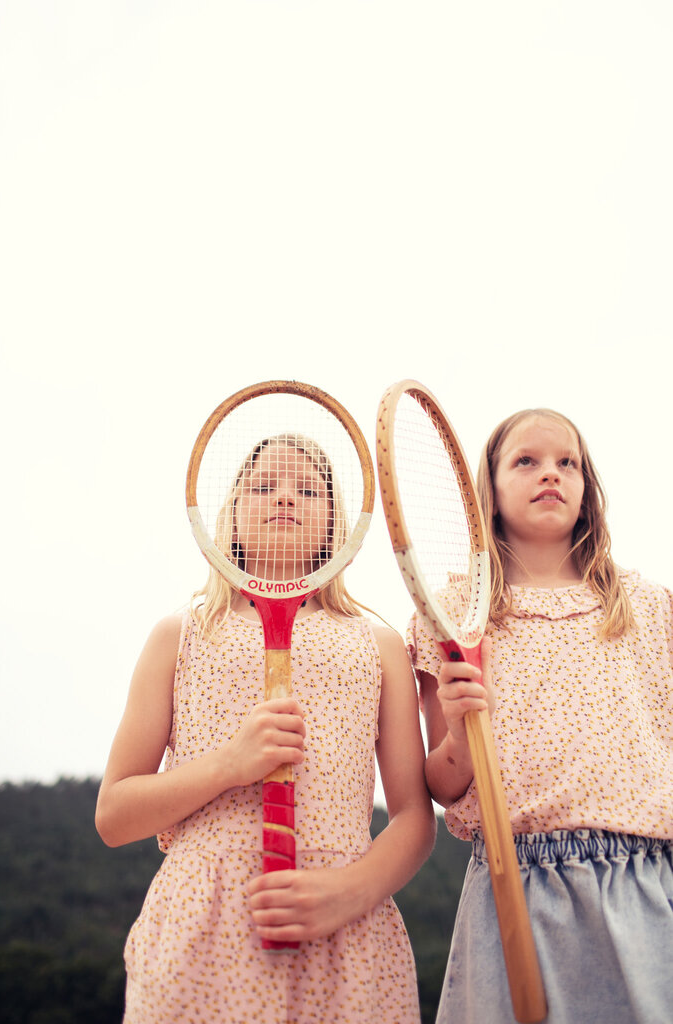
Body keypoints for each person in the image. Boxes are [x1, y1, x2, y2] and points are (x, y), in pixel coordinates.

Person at [96, 432, 435, 1024]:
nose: (285, 497)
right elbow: (115, 814)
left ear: (337, 523)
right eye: (262, 485)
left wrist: (350, 892)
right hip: (202, 926)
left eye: (308, 488)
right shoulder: (179, 635)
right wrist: (229, 764)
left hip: (346, 931)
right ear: (228, 516)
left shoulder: (378, 645)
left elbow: (413, 816)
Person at [408, 409, 673, 1024]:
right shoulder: (453, 612)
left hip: (642, 882)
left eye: (567, 463)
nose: (549, 473)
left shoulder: (646, 607)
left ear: (587, 490)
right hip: (512, 878)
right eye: (525, 460)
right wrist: (457, 728)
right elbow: (444, 784)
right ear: (490, 491)